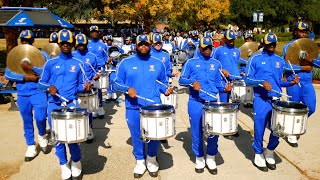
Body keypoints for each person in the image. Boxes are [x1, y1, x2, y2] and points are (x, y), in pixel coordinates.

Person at [113, 35, 174, 178]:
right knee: (136, 135)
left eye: (146, 44)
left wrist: (166, 89)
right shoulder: (125, 62)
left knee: (154, 134)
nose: (143, 47)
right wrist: (128, 89)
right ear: (136, 46)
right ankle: (140, 160)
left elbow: (162, 82)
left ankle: (152, 158)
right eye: (140, 45)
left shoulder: (158, 63)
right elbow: (116, 82)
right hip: (133, 106)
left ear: (150, 45)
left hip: (153, 107)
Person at [39, 29, 92, 179]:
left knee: (72, 137)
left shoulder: (78, 63)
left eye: (68, 43)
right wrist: (49, 87)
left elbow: (81, 85)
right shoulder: (50, 63)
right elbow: (41, 83)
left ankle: (76, 162)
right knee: (57, 138)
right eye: (63, 43)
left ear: (72, 44)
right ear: (59, 44)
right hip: (54, 105)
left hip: (71, 104)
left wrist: (85, 87)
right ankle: (63, 164)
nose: (65, 45)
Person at [245, 33, 300, 172]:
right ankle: (258, 153)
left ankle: (269, 150)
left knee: (278, 128)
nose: (271, 46)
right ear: (263, 44)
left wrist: (290, 82)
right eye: (269, 44)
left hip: (276, 98)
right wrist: (262, 82)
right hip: (261, 99)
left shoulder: (279, 60)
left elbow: (279, 81)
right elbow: (247, 79)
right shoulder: (255, 59)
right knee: (259, 127)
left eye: (273, 44)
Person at [179, 37, 232, 174]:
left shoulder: (217, 63)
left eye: (209, 47)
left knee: (214, 132)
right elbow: (181, 79)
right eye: (205, 47)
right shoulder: (191, 62)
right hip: (196, 102)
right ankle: (199, 157)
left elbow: (219, 83)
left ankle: (211, 157)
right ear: (199, 48)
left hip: (212, 103)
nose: (207, 50)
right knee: (197, 132)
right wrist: (192, 82)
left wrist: (225, 88)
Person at [5, 30, 49, 162]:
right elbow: (8, 74)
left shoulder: (42, 55)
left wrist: (32, 67)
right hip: (23, 93)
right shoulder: (16, 55)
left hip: (38, 91)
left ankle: (42, 135)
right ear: (20, 41)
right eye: (23, 40)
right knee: (27, 119)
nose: (26, 42)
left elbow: (47, 71)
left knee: (41, 117)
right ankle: (30, 145)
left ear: (33, 41)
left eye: (28, 40)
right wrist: (25, 77)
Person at [282, 22, 320, 147]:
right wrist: (302, 68)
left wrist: (311, 60)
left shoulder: (310, 46)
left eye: (305, 32)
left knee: (311, 107)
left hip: (307, 82)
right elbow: (284, 66)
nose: (303, 33)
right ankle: (292, 133)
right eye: (301, 31)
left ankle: (296, 124)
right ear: (296, 32)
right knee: (294, 108)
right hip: (294, 81)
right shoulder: (288, 46)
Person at [72, 33, 100, 143]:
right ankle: (78, 131)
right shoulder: (72, 55)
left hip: (88, 86)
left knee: (87, 111)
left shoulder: (92, 56)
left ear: (86, 43)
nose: (81, 46)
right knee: (76, 111)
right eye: (79, 44)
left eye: (83, 44)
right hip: (75, 87)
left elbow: (96, 70)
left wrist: (96, 76)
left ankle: (89, 129)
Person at [213, 29, 241, 102]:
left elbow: (236, 64)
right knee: (224, 104)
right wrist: (221, 70)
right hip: (223, 81)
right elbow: (212, 64)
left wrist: (240, 72)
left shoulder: (237, 51)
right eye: (229, 39)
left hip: (235, 81)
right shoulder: (218, 50)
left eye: (233, 39)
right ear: (224, 39)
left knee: (236, 105)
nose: (231, 41)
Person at [87, 25, 107, 118]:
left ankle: (100, 107)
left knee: (98, 90)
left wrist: (108, 60)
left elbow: (106, 57)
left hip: (99, 69)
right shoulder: (87, 45)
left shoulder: (103, 45)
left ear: (98, 33)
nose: (94, 33)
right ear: (90, 33)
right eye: (92, 32)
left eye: (96, 32)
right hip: (89, 70)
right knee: (90, 89)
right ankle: (92, 108)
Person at [105, 35, 124, 100]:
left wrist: (117, 47)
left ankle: (113, 93)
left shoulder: (115, 47)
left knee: (113, 80)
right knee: (107, 81)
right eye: (108, 40)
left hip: (114, 66)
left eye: (110, 40)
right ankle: (108, 93)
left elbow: (122, 51)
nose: (109, 42)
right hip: (106, 66)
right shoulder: (104, 47)